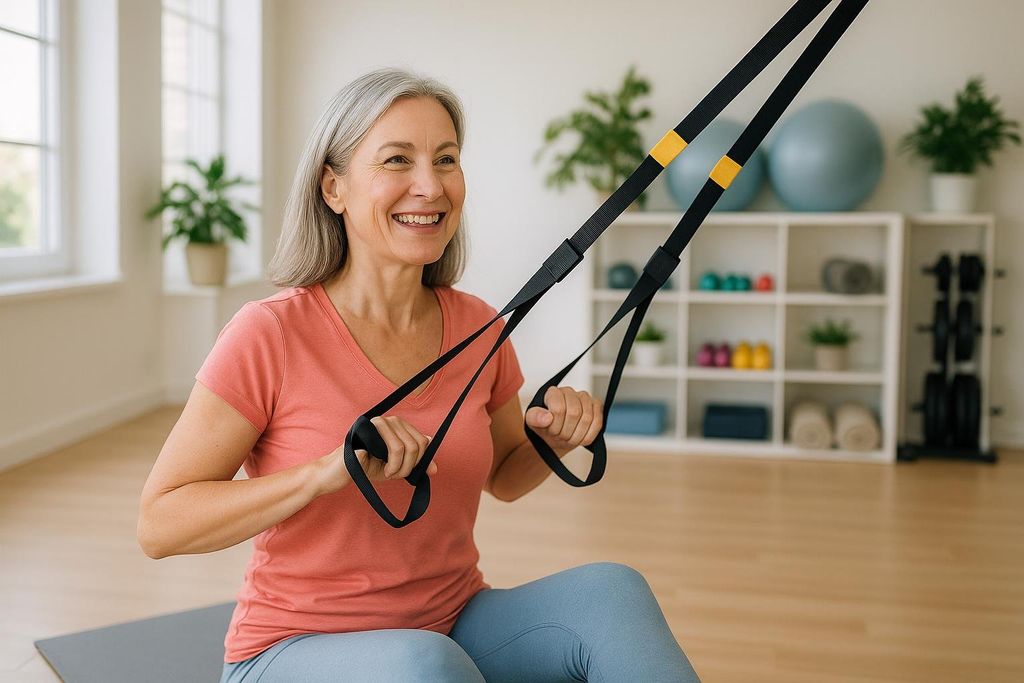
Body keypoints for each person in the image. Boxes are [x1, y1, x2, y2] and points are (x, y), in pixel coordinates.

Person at [137, 67, 700, 683]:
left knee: (611, 593)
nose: (430, 186)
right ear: (334, 187)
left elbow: (506, 477)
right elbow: (161, 524)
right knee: (422, 666)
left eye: (447, 159)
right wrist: (326, 473)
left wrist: (553, 437)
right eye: (397, 160)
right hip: (293, 649)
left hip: (451, 623)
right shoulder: (269, 333)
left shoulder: (479, 328)